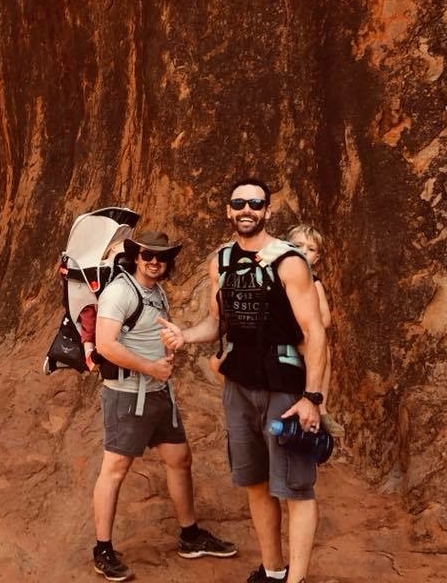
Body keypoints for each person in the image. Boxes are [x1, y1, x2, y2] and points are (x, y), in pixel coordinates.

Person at [161, 178, 327, 583]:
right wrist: (185, 335)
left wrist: (313, 398)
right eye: (239, 203)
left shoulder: (289, 262)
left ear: (268, 211)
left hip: (285, 391)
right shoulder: (220, 261)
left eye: (256, 203)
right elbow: (216, 322)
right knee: (254, 481)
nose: (247, 209)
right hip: (239, 388)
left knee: (294, 487)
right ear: (229, 211)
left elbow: (315, 331)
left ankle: (297, 579)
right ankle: (273, 570)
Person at [91, 230, 237, 581]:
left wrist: (168, 350)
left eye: (162, 258)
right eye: (147, 256)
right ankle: (103, 550)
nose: (154, 263)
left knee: (179, 459)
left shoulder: (155, 292)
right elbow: (105, 345)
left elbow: (146, 336)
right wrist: (150, 366)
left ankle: (189, 536)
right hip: (128, 394)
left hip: (158, 393)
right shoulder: (120, 292)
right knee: (115, 470)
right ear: (136, 257)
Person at [286, 224, 343, 437]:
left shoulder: (314, 283)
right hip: (277, 334)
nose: (303, 251)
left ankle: (322, 406)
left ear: (316, 259)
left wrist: (306, 324)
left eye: (310, 249)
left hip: (302, 334)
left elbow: (325, 319)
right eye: (297, 245)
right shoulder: (279, 276)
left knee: (323, 350)